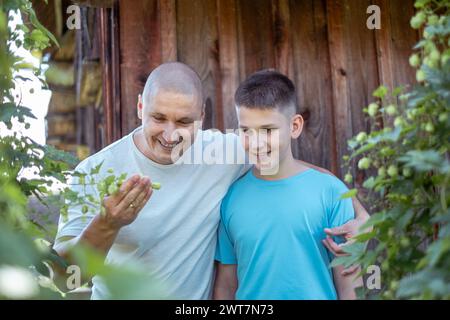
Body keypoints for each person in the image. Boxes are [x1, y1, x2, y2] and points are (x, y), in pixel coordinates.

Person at [54, 62, 368, 299]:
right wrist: (108, 223)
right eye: (158, 118)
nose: (170, 134)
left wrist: (362, 214)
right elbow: (64, 277)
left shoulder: (224, 150)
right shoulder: (94, 171)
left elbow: (299, 170)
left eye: (184, 121)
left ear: (201, 117)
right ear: (140, 108)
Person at [214, 70, 361, 300]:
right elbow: (226, 285)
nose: (256, 143)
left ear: (294, 126)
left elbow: (350, 285)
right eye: (246, 131)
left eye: (268, 130)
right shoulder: (231, 198)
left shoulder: (331, 192)